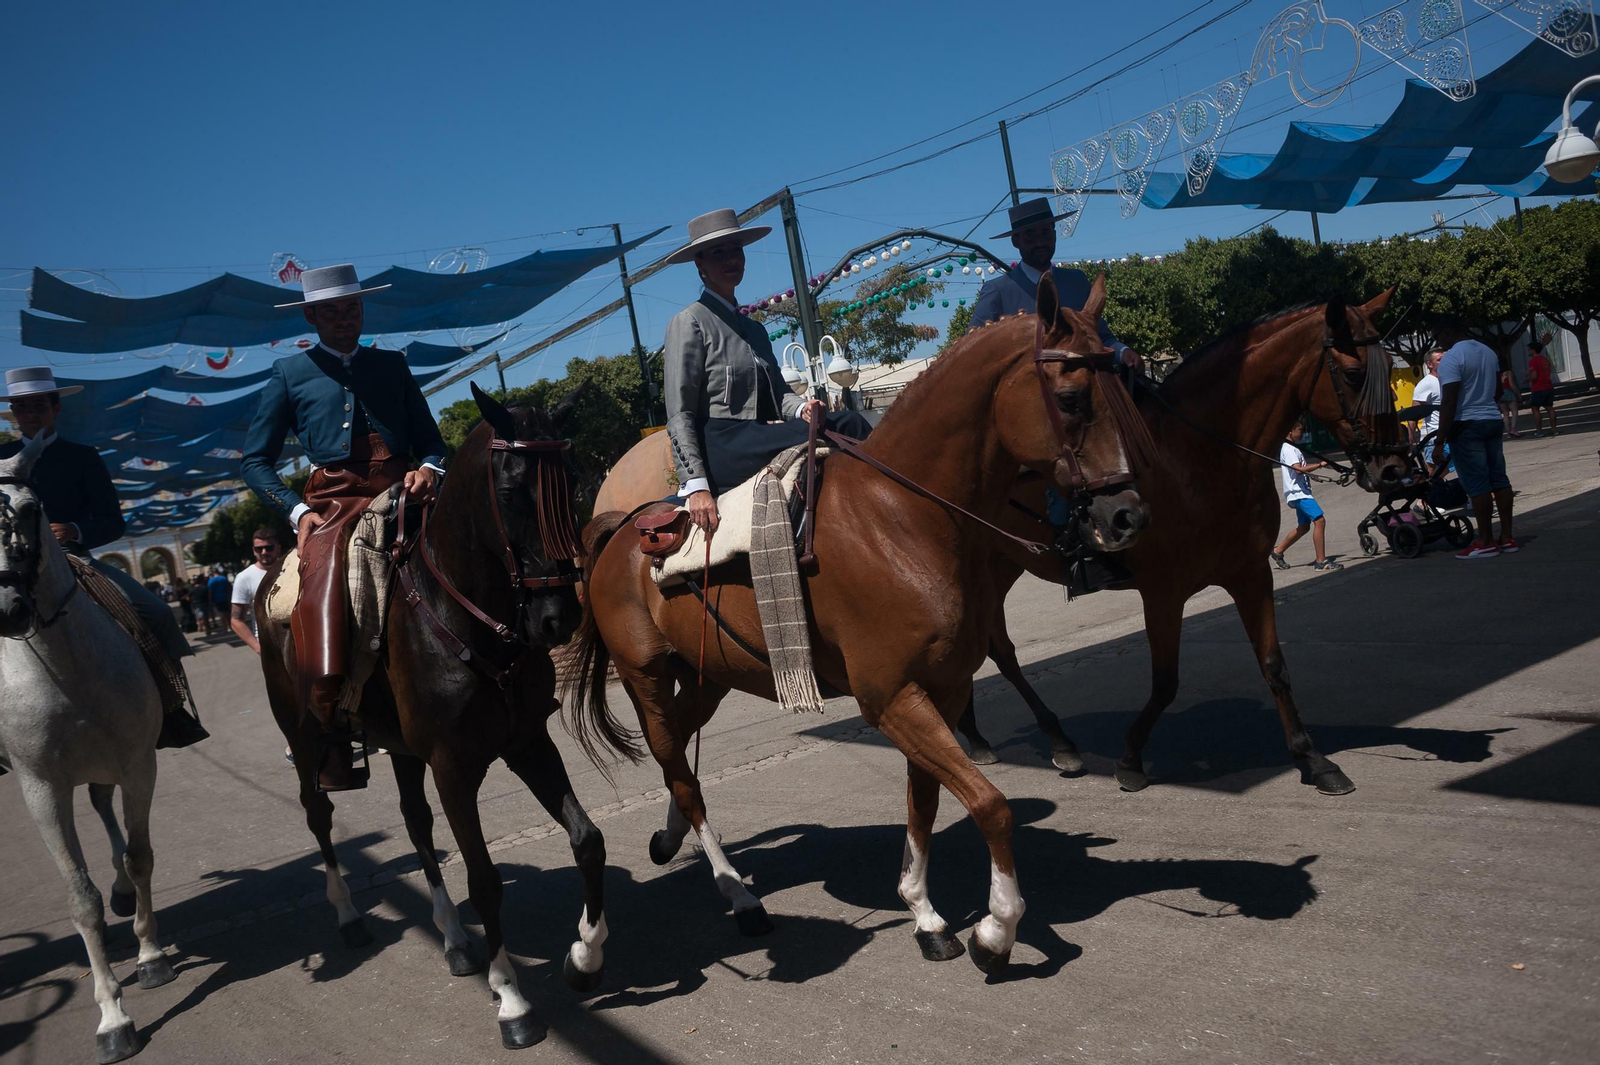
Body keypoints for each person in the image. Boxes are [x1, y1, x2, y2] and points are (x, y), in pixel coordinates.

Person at [241, 264, 446, 790]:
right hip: (334, 503)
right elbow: (254, 462)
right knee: (323, 581)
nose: (343, 318)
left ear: (362, 310)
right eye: (330, 311)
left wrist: (429, 467)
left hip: (404, 492)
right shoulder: (289, 373)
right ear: (310, 317)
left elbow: (431, 440)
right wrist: (298, 512)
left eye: (351, 308)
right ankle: (331, 715)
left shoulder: (392, 365)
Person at [0, 367, 208, 747]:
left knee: (156, 613)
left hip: (71, 559)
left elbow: (113, 521)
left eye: (39, 405)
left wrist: (76, 530)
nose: (30, 413)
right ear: (12, 411)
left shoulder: (82, 457)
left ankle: (170, 708)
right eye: (22, 406)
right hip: (9, 564)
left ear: (56, 407)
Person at [662, 208, 873, 533]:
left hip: (757, 435)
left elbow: (780, 395)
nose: (731, 258)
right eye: (718, 252)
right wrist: (696, 485)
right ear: (699, 264)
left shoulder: (755, 330)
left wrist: (803, 409)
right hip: (721, 446)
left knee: (842, 422)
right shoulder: (690, 322)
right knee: (849, 424)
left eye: (736, 249)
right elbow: (679, 413)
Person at [1432, 322, 1515, 559]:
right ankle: (1507, 538)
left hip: (1466, 424)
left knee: (1477, 484)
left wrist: (1440, 440)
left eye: (1437, 335)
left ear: (1448, 330)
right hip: (1492, 419)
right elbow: (1498, 391)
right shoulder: (1487, 351)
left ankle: (1486, 541)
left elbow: (1449, 401)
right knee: (1499, 479)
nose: (1438, 341)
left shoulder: (1452, 358)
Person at [1270, 422, 1342, 572]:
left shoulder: (1292, 447)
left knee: (1304, 527)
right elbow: (1298, 470)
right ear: (1290, 431)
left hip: (1298, 492)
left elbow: (1297, 472)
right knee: (1320, 521)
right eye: (1300, 431)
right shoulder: (1289, 449)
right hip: (1298, 493)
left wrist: (1311, 474)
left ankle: (1278, 551)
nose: (1302, 434)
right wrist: (1319, 465)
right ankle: (1321, 561)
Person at [229, 528, 279, 654]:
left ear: (278, 547)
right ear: (253, 551)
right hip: (269, 644)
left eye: (269, 548)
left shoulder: (291, 569)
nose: (264, 552)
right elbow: (236, 620)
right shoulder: (244, 578)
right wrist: (258, 648)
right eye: (259, 549)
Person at [1410, 350, 1445, 472]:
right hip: (1434, 436)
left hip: (1451, 433)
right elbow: (1414, 414)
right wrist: (1410, 442)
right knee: (1434, 471)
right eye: (1439, 360)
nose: (1444, 361)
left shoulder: (1448, 380)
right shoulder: (1426, 384)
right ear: (1429, 364)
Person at [1526, 340, 1558, 437]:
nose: (1528, 351)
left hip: (1538, 387)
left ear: (1533, 350)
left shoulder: (1533, 361)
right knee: (1549, 408)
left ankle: (1539, 430)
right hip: (1548, 386)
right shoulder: (1545, 360)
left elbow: (1534, 376)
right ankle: (1554, 428)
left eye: (1529, 349)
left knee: (1535, 409)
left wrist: (1527, 379)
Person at [1496, 361, 1521, 439]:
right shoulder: (1508, 372)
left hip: (1500, 392)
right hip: (1508, 391)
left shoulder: (1496, 373)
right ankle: (1513, 429)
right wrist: (1518, 393)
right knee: (1514, 411)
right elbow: (1511, 384)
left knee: (1505, 414)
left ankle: (1508, 432)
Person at [205, 565, 231, 634]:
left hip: (217, 599)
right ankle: (230, 626)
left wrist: (210, 600)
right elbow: (229, 588)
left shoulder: (211, 580)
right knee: (227, 612)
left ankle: (225, 627)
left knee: (221, 613)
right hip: (225, 598)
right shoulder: (223, 578)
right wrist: (230, 596)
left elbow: (210, 591)